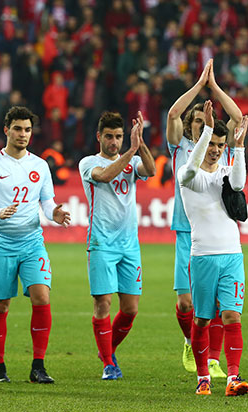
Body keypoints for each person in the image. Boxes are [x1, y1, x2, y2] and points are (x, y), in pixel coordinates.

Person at [0, 106, 71, 384]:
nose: (23, 134)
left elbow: (48, 202)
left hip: (32, 242)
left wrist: (55, 214)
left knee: (42, 296)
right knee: (0, 305)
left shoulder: (40, 165)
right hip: (1, 244)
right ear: (6, 130)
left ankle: (38, 366)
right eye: (18, 128)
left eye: (27, 129)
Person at [166, 59, 242, 379]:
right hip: (187, 231)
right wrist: (198, 86)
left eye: (204, 120)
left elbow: (238, 119)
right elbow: (172, 115)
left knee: (222, 307)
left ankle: (212, 359)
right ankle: (190, 343)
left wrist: (216, 89)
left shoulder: (218, 147)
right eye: (196, 121)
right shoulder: (180, 146)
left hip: (219, 234)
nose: (200, 125)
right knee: (188, 305)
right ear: (191, 124)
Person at [178, 101, 248, 396]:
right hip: (203, 257)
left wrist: (239, 147)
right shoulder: (188, 174)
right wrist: (207, 130)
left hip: (232, 255)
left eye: (221, 145)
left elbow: (239, 183)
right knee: (203, 319)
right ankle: (203, 377)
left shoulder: (225, 173)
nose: (216, 149)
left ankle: (233, 377)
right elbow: (190, 171)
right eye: (212, 143)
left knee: (232, 316)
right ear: (201, 141)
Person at [78, 111, 156, 380]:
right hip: (101, 243)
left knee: (130, 309)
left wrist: (140, 143)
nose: (114, 141)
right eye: (109, 136)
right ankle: (109, 365)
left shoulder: (132, 159)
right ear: (99, 136)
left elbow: (152, 170)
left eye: (119, 137)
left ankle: (106, 351)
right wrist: (130, 151)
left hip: (129, 245)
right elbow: (103, 177)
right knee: (103, 303)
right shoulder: (88, 162)